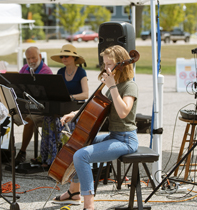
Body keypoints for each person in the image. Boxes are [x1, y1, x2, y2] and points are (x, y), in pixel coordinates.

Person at [52, 45, 139, 210]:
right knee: (78, 145)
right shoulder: (116, 85)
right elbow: (96, 107)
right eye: (104, 64)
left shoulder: (129, 86)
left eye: (109, 64)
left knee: (81, 156)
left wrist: (112, 86)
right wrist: (75, 113)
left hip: (126, 140)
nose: (106, 68)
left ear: (122, 63)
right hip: (114, 136)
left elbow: (123, 112)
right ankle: (74, 192)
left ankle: (89, 206)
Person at [31, 44, 89, 168]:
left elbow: (86, 94)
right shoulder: (60, 72)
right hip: (62, 106)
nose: (64, 58)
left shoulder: (81, 72)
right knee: (48, 119)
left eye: (66, 56)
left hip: (76, 108)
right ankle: (49, 158)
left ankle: (64, 159)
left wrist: (71, 97)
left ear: (74, 58)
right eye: (62, 56)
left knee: (60, 122)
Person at [15, 46, 53, 165]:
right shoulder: (24, 68)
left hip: (40, 109)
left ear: (40, 57)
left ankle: (22, 152)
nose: (31, 61)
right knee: (6, 116)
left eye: (33, 58)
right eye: (28, 58)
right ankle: (6, 151)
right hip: (26, 106)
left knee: (29, 119)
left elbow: (46, 96)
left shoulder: (46, 72)